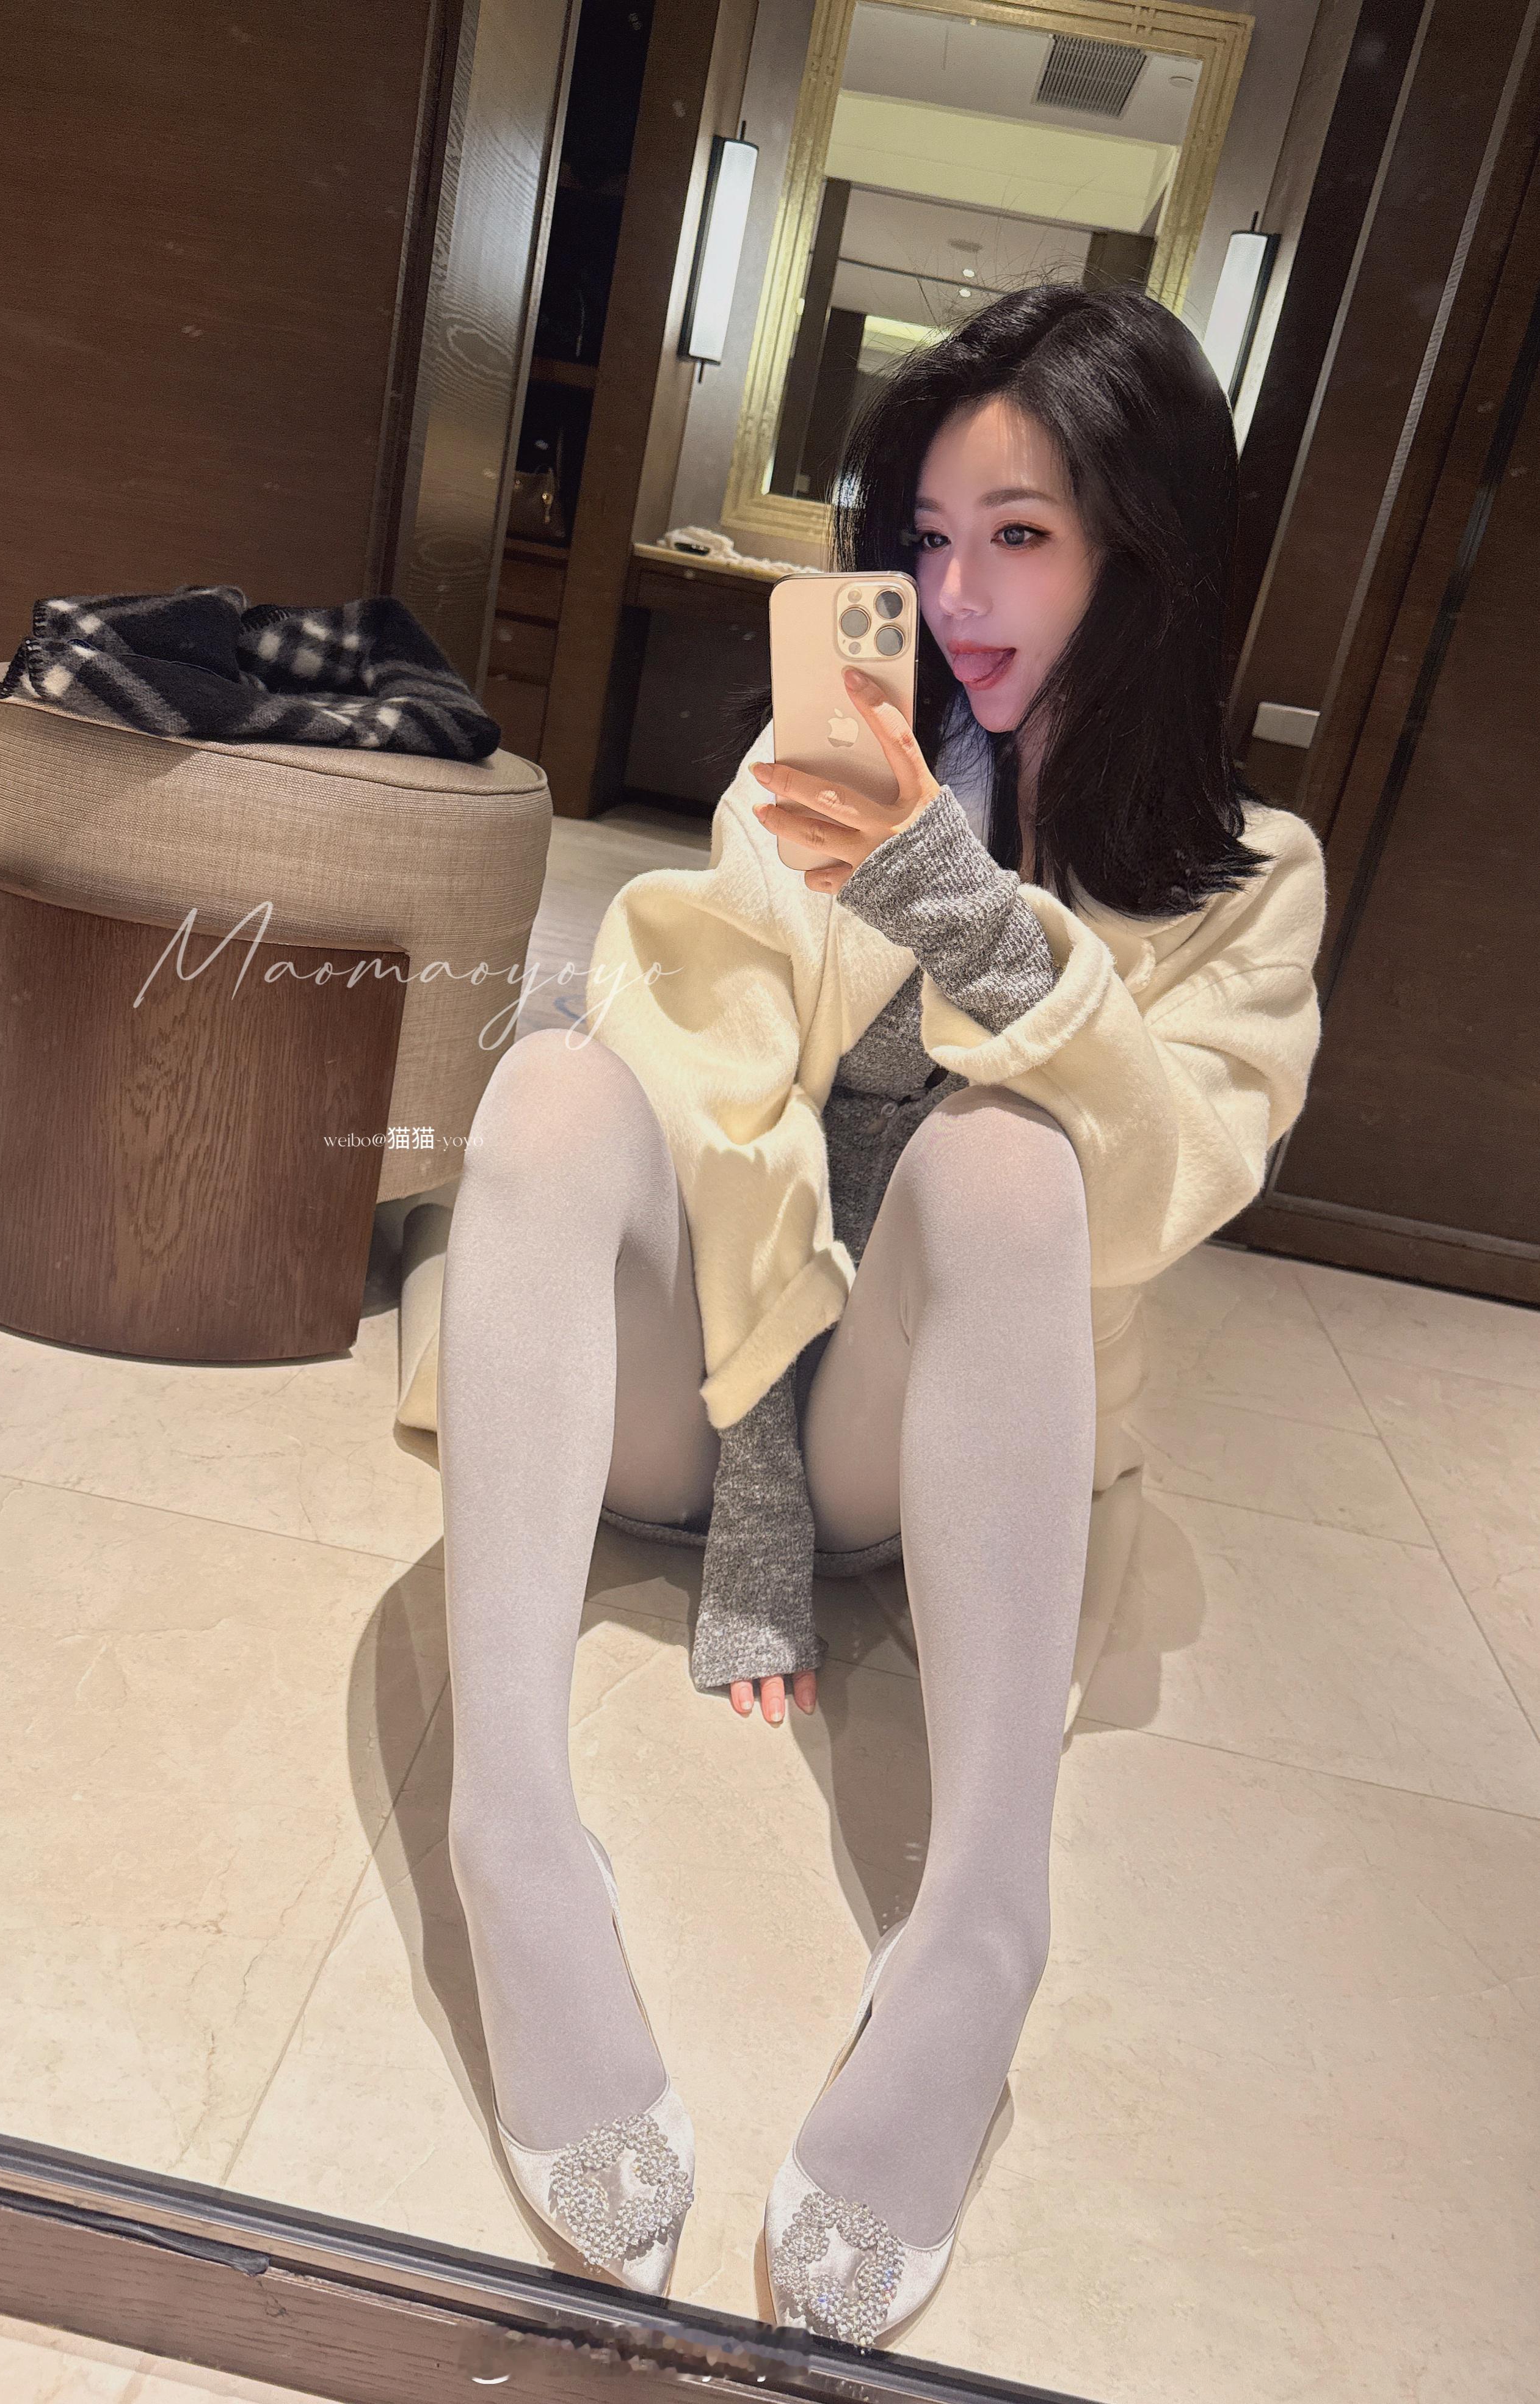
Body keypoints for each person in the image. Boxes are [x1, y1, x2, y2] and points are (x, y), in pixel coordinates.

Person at [425, 283, 1328, 2344]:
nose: (957, 592)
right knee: (555, 1084)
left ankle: (983, 1922)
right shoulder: (820, 768)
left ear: (1142, 549)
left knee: (1010, 1165)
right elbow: (702, 1087)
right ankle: (511, 1835)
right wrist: (746, 1509)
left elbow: (1169, 1186)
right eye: (925, 537)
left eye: (1019, 533)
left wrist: (981, 926)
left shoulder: (1248, 872)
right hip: (711, 1397)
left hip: (911, 1445)